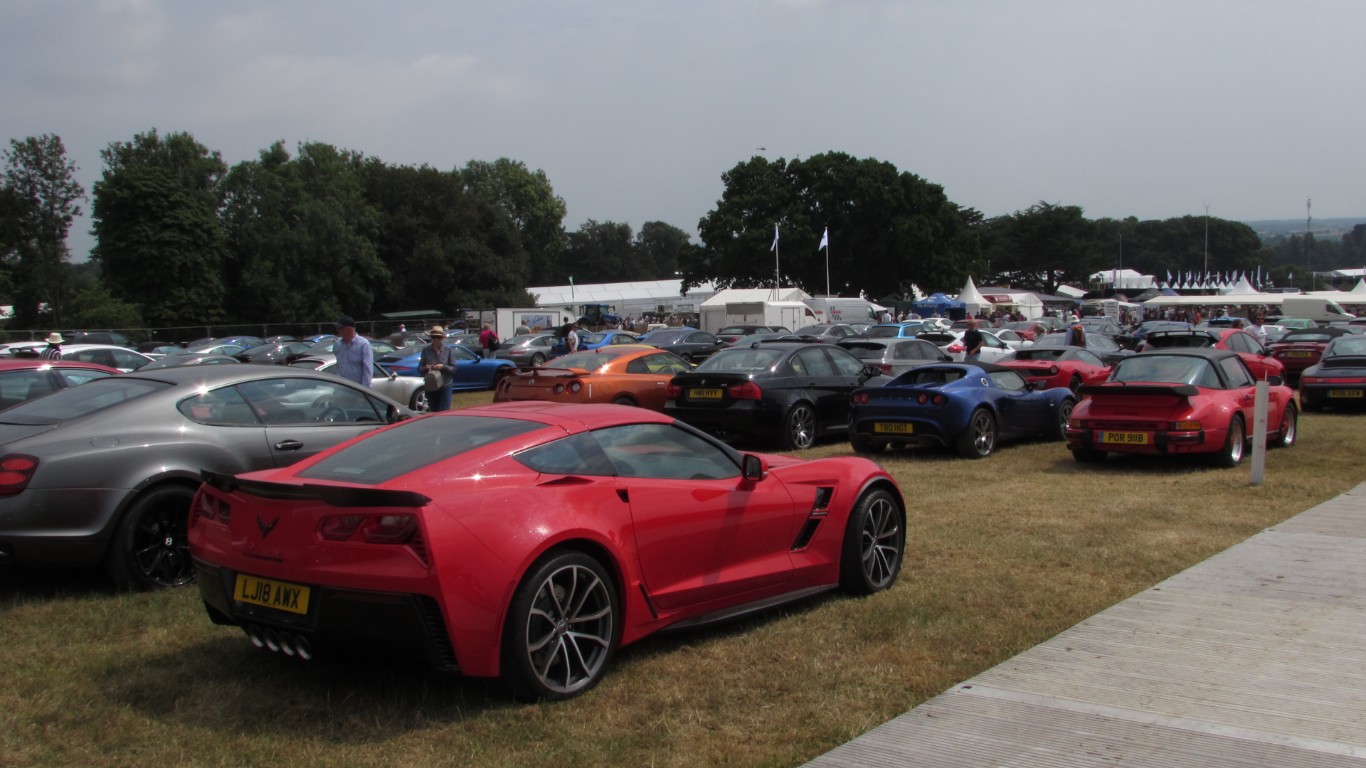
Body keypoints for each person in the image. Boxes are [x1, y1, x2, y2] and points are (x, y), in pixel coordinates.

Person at [419, 325, 458, 412]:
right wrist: (426, 368)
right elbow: (420, 369)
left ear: (442, 338)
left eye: (438, 337)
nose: (436, 339)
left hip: (445, 385)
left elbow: (454, 368)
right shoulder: (426, 350)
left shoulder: (448, 350)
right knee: (434, 412)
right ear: (431, 338)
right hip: (431, 386)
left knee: (445, 411)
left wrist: (443, 367)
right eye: (434, 337)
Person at [332, 316, 373, 387]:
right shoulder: (337, 344)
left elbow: (368, 370)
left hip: (356, 390)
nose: (338, 330)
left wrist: (365, 391)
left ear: (349, 329)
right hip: (340, 389)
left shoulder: (363, 344)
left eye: (340, 328)